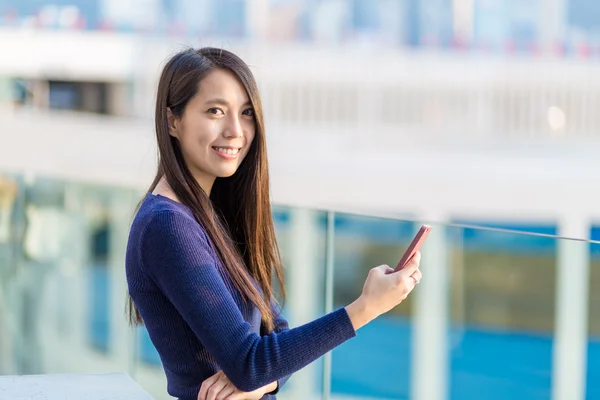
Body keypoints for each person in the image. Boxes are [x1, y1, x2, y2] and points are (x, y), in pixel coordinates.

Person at [125, 47, 423, 400]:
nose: (236, 130)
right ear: (173, 121)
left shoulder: (208, 215)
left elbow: (275, 340)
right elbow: (251, 362)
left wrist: (262, 381)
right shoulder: (168, 227)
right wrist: (365, 308)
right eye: (215, 111)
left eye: (246, 113)